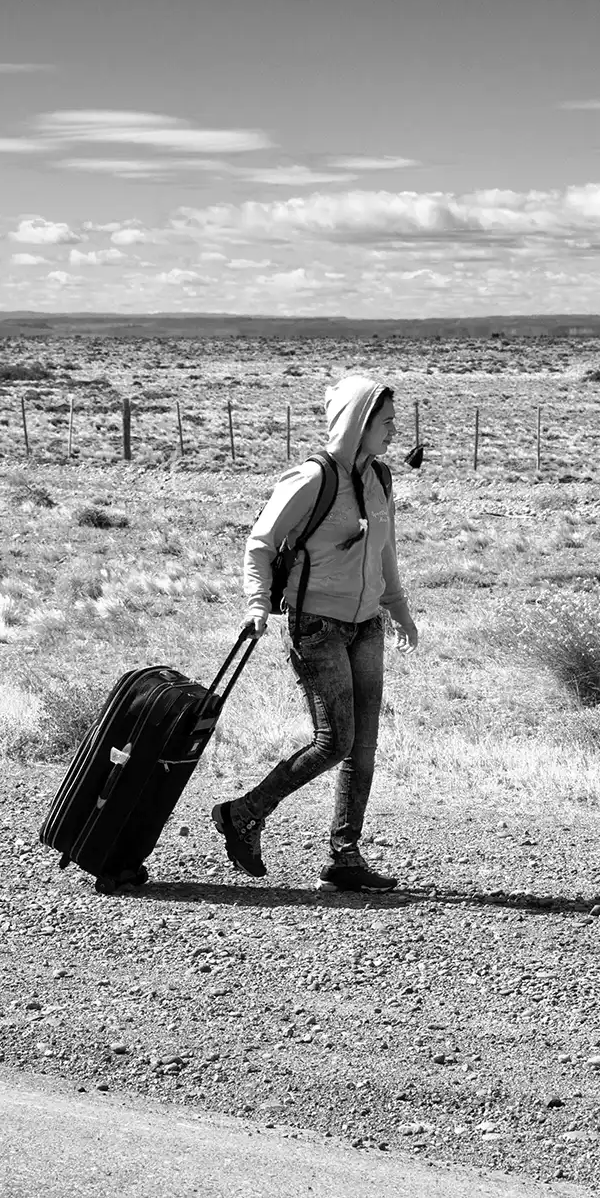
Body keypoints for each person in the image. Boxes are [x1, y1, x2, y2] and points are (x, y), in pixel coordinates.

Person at [211, 375, 418, 892]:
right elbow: (260, 543)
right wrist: (258, 605)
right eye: (387, 421)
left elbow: (385, 550)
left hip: (366, 624)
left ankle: (345, 858)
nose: (395, 430)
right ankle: (244, 813)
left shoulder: (381, 479)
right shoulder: (311, 479)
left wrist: (398, 610)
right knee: (335, 741)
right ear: (358, 423)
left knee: (363, 746)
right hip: (317, 626)